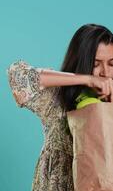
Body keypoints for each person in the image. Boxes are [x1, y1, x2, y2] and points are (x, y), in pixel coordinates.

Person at [7, 23, 113, 191]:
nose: (105, 73)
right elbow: (18, 75)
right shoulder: (56, 99)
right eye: (95, 63)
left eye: (112, 64)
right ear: (81, 62)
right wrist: (87, 79)